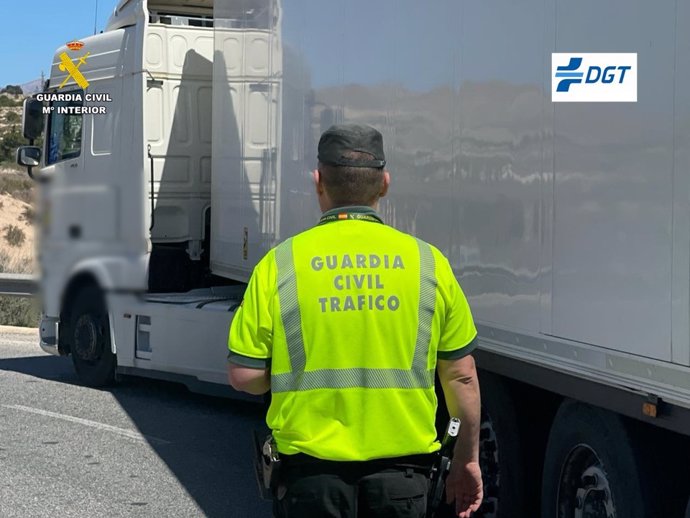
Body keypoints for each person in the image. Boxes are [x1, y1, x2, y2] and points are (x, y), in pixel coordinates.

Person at [227, 124, 483, 518]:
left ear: (318, 183)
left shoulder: (279, 266)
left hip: (309, 480)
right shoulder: (429, 264)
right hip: (405, 478)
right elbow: (461, 377)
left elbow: (244, 376)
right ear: (384, 185)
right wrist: (465, 459)